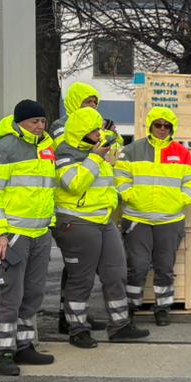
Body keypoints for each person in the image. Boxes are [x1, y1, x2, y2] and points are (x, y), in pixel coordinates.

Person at [53, 107, 148, 347]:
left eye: (99, 129)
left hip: (104, 221)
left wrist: (109, 143)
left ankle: (120, 325)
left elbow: (111, 170)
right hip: (76, 222)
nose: (99, 134)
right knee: (81, 279)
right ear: (81, 132)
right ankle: (77, 329)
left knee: (116, 273)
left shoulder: (100, 147)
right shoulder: (65, 151)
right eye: (94, 131)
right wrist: (95, 157)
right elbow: (74, 184)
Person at [0, 100, 58, 376]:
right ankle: (1, 353)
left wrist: (51, 225)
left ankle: (24, 346)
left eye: (42, 121)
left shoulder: (47, 148)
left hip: (40, 232)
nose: (39, 126)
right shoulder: (2, 149)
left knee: (33, 293)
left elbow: (49, 190)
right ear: (19, 122)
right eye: (33, 121)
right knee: (11, 295)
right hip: (14, 233)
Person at [117, 106, 191, 326]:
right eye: (158, 125)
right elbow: (120, 178)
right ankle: (132, 306)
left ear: (172, 128)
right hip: (137, 218)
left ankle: (162, 307)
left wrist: (183, 199)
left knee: (164, 267)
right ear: (150, 126)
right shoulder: (132, 150)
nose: (162, 129)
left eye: (166, 126)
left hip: (169, 219)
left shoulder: (182, 153)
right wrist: (130, 195)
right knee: (138, 265)